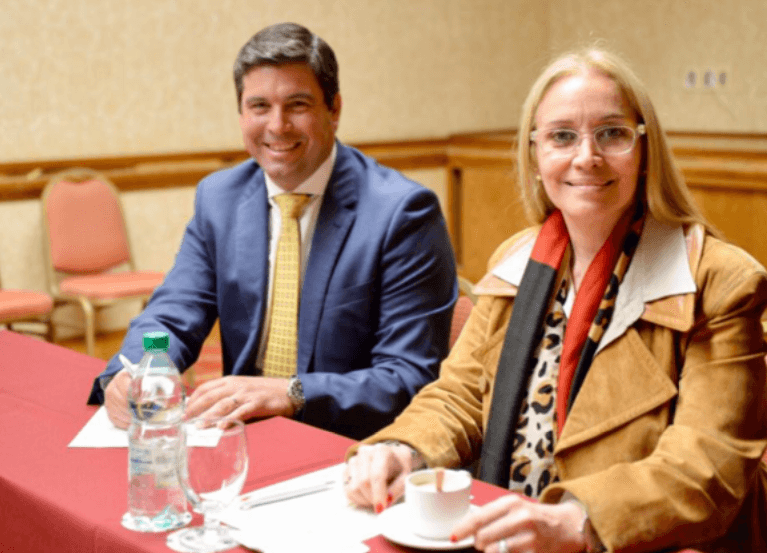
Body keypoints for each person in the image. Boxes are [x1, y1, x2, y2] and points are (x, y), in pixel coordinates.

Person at [344, 46, 767, 552]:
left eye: (611, 133)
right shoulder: (516, 262)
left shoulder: (719, 282)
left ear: (644, 151)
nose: (586, 156)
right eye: (562, 136)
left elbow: (707, 467)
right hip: (503, 537)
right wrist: (402, 447)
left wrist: (577, 520)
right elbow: (459, 395)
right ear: (535, 154)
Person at [87, 22, 457, 440]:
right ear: (242, 114)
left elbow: (409, 377)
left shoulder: (402, 213)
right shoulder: (220, 198)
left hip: (353, 443)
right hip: (242, 434)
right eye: (259, 106)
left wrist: (293, 393)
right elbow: (172, 315)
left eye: (297, 105)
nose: (277, 126)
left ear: (334, 110)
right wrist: (134, 371)